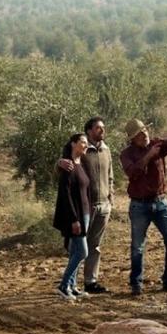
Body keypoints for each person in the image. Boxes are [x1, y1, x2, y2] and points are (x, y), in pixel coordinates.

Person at [119, 118, 167, 296]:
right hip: (139, 205)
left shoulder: (158, 145)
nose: (144, 135)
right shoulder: (126, 154)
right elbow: (132, 172)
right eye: (139, 134)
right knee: (137, 246)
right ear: (132, 139)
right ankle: (136, 283)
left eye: (145, 131)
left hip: (161, 202)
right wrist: (149, 156)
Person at [56, 117, 113, 294]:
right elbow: (65, 167)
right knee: (80, 248)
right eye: (98, 128)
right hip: (84, 206)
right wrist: (58, 163)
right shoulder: (82, 150)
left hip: (103, 205)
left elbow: (110, 174)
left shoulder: (106, 150)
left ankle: (90, 281)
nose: (102, 131)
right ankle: (70, 284)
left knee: (94, 246)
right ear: (89, 131)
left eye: (103, 128)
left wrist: (111, 195)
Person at [53, 133, 92, 301]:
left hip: (85, 214)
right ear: (73, 144)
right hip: (75, 216)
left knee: (75, 251)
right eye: (83, 142)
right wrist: (74, 219)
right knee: (82, 252)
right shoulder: (67, 166)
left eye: (86, 143)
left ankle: (72, 286)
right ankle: (63, 285)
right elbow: (65, 195)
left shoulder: (80, 163)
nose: (85, 145)